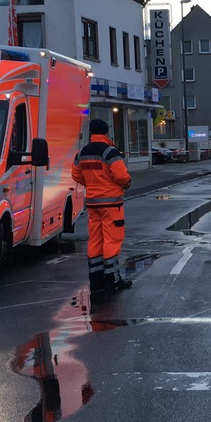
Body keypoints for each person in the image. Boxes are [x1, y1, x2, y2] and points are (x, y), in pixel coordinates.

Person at [71, 118, 133, 296]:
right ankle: (112, 279)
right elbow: (122, 176)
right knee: (112, 240)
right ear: (106, 132)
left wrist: (91, 184)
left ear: (91, 133)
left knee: (95, 240)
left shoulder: (82, 152)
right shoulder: (109, 151)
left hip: (93, 203)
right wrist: (126, 183)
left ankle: (96, 280)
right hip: (111, 204)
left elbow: (76, 175)